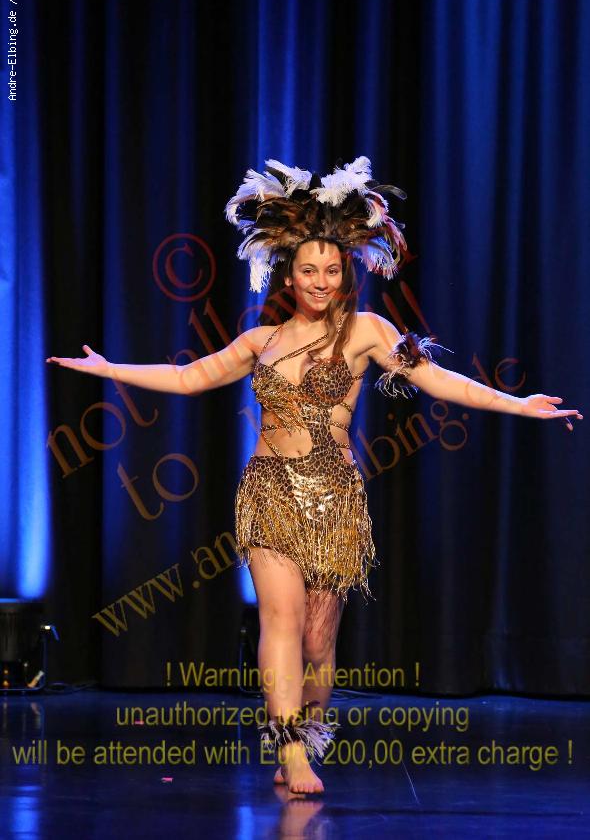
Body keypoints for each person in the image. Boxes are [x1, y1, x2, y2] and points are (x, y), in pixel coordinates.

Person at [47, 155, 582, 795]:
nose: (321, 281)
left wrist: (516, 404)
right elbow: (188, 378)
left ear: (345, 271)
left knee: (318, 643)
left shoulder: (366, 331)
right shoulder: (261, 341)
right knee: (279, 619)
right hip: (269, 490)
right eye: (309, 270)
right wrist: (110, 369)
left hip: (335, 500)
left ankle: (310, 731)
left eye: (331, 270)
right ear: (289, 274)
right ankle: (290, 748)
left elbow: (437, 380)